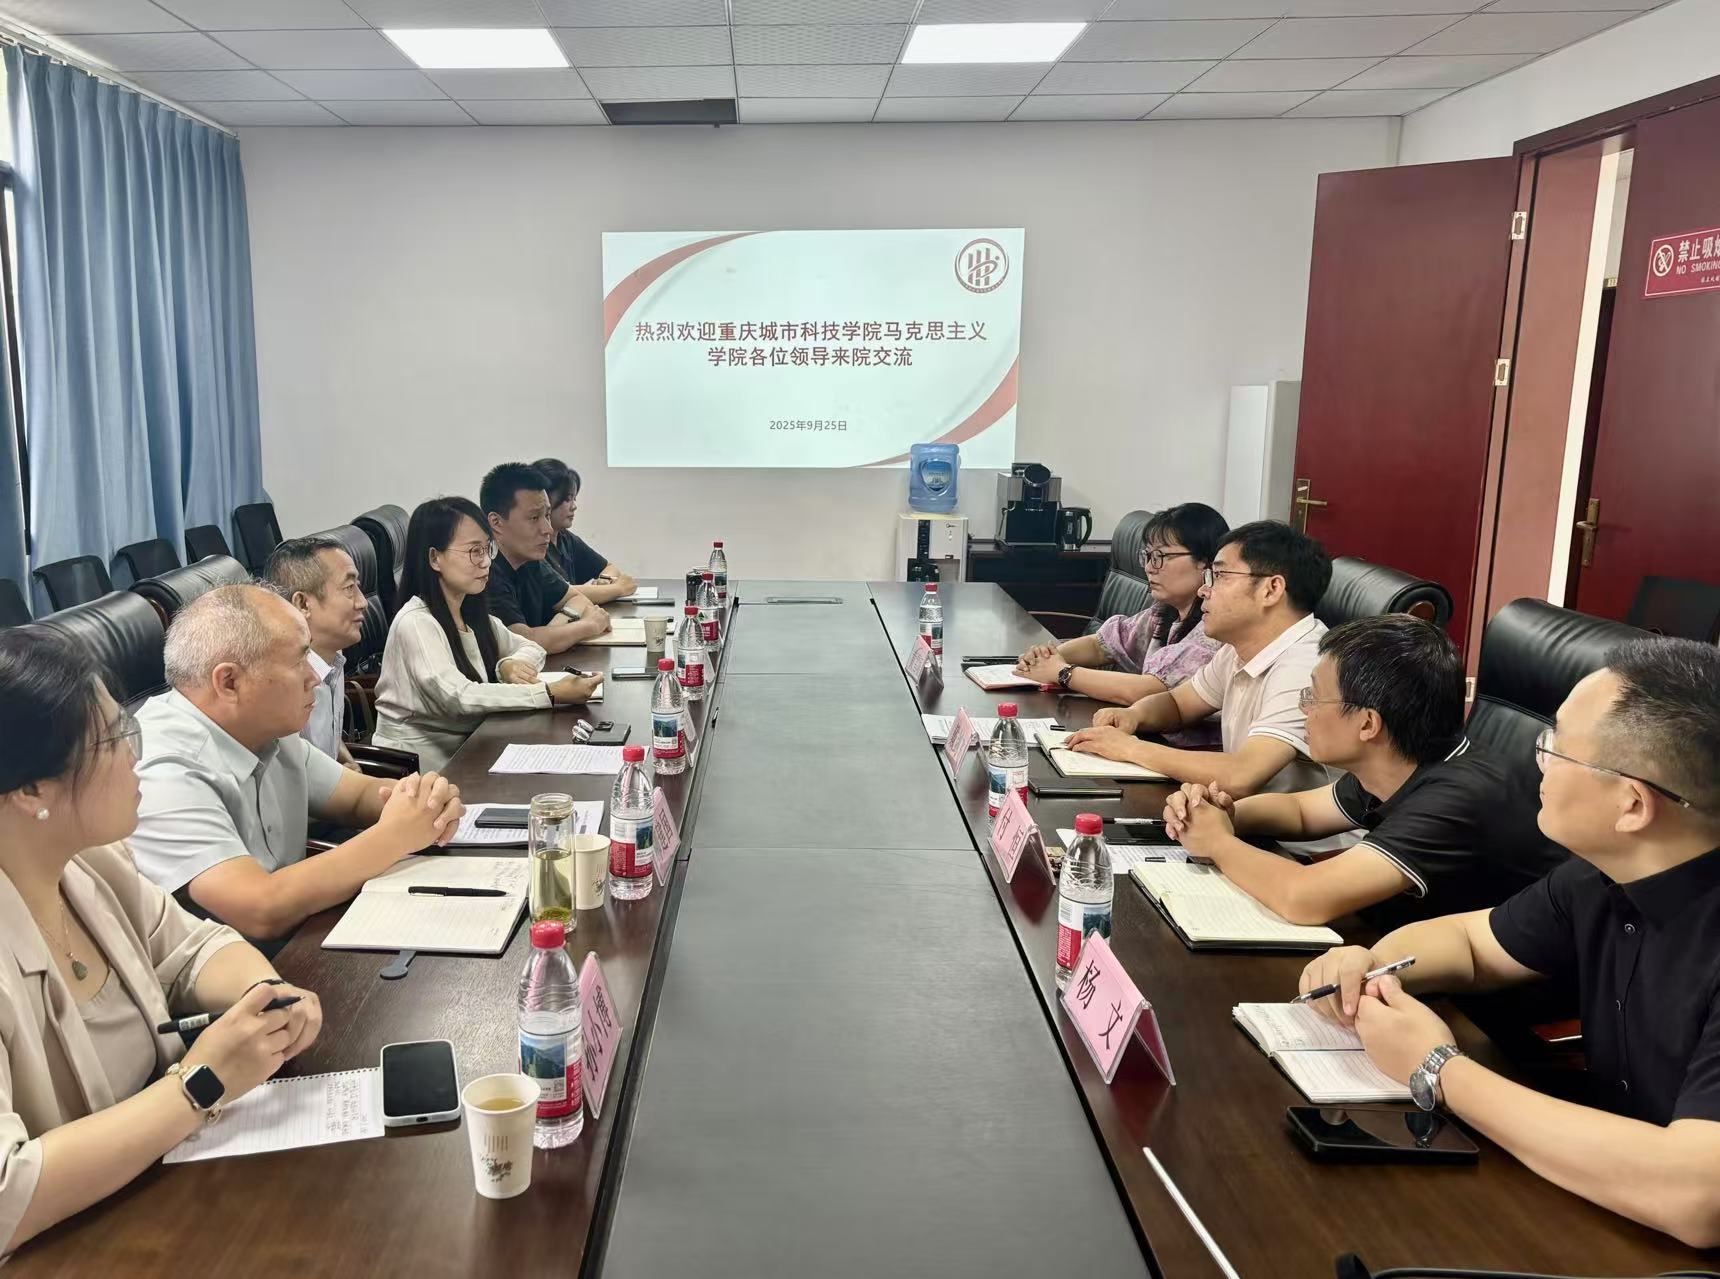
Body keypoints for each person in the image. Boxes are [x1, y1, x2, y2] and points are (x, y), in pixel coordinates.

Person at [1299, 638, 1720, 1247]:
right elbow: (1472, 942)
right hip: (1600, 1197)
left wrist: (1438, 1068)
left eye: (1556, 748)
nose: (1536, 760)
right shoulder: (1600, 874)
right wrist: (1373, 963)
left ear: (1632, 805)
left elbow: (1695, 1195)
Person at [0, 629, 324, 1255]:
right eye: (112, 740)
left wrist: (266, 994)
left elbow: (193, 948)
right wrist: (199, 1084)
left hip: (159, 1203)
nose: (134, 755)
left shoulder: (92, 863)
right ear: (30, 790)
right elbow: (7, 1190)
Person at [1164, 615, 1563, 927]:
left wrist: (1217, 842)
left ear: (1368, 724)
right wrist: (1222, 812)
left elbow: (1304, 897)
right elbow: (1300, 813)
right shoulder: (1398, 761)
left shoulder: (1458, 797)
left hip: (1488, 996)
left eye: (1314, 697)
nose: (1304, 709)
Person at [129, 584, 465, 943]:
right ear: (229, 682)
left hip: (299, 939)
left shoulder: (265, 726)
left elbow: (356, 797)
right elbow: (260, 908)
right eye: (299, 660)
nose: (315, 677)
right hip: (231, 969)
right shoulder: (162, 770)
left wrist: (420, 800)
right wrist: (394, 836)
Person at [1065, 520, 1334, 801]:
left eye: (1219, 576)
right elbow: (1178, 704)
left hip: (1290, 829)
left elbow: (1242, 775)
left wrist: (1129, 748)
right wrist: (1133, 716)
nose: (1203, 591)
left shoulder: (1307, 666)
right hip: (1242, 813)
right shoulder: (1240, 647)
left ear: (1271, 589)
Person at [373, 498, 602, 772]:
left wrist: (508, 664)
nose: (485, 562)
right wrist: (548, 693)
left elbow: (532, 648)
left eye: (486, 549)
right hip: (417, 769)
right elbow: (459, 697)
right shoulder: (416, 622)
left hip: (471, 749)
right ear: (435, 558)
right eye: (474, 551)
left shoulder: (469, 612)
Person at [1015, 504, 1226, 745]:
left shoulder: (1214, 629)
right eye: (1148, 556)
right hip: (1151, 740)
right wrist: (1047, 657)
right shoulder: (1165, 612)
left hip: (1191, 754)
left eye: (1161, 557)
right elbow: (1102, 644)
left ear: (1206, 563)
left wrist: (1062, 672)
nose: (1149, 568)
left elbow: (1151, 690)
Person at [480, 463, 611, 655]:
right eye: (534, 518)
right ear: (496, 522)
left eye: (547, 515)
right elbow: (522, 642)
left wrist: (551, 632)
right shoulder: (484, 571)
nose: (547, 529)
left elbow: (577, 599)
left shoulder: (531, 561)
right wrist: (588, 626)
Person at [261, 536, 367, 768]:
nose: (362, 602)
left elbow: (326, 733)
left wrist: (346, 761)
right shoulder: (281, 686)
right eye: (349, 588)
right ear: (303, 604)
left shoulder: (331, 657)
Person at [534, 457, 637, 606]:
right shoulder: (533, 546)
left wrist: (604, 583)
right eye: (567, 499)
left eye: (574, 499)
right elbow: (562, 593)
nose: (574, 506)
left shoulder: (565, 538)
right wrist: (618, 589)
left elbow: (609, 568)